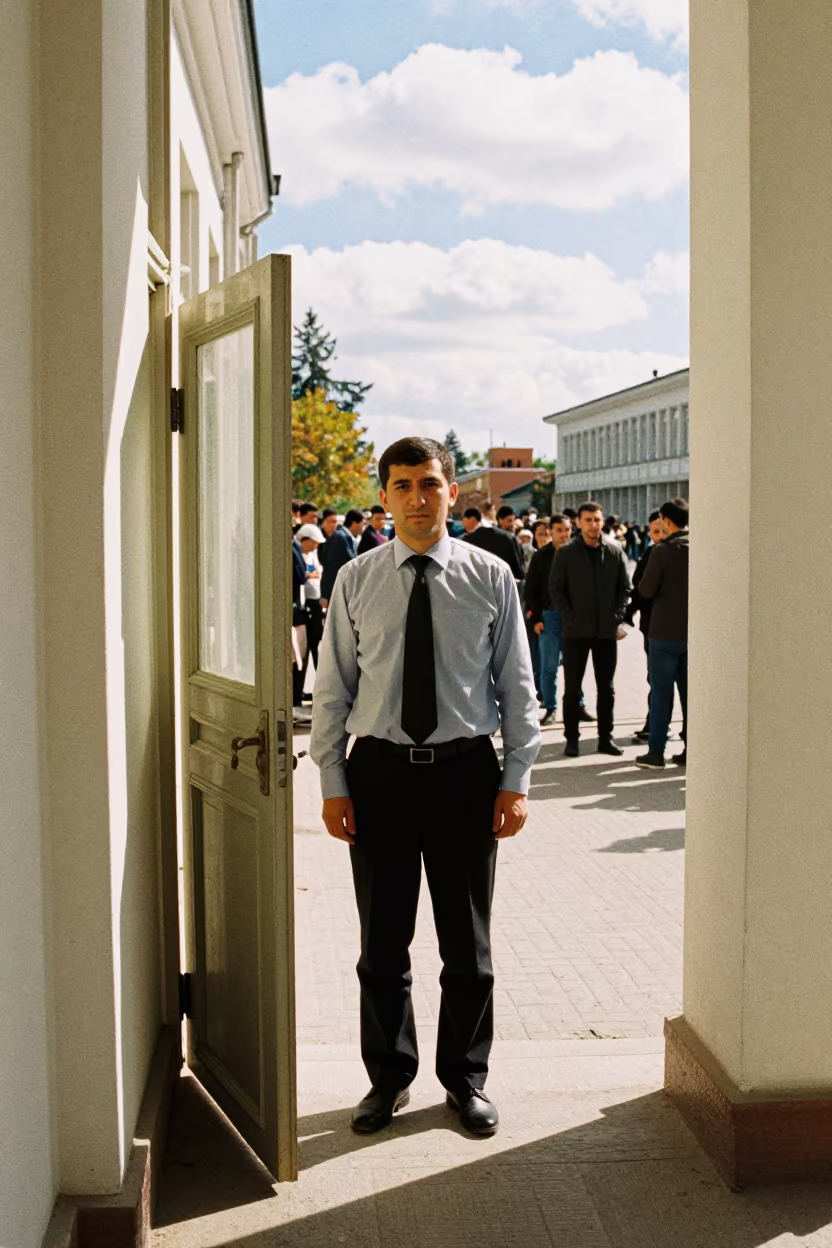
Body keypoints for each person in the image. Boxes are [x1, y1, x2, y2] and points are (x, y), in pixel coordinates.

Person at [311, 436, 541, 1139]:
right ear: (384, 495)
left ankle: (465, 1079)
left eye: (430, 484)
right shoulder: (355, 580)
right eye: (403, 485)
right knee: (382, 944)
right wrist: (333, 780)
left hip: (465, 776)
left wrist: (516, 779)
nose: (418, 498)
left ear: (452, 492)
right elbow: (332, 688)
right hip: (379, 775)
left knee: (467, 947)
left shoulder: (490, 576)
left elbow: (517, 686)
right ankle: (388, 1078)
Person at [549, 500, 631, 757]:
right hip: (576, 632)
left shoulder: (614, 550)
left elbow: (625, 588)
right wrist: (569, 617)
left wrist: (617, 617)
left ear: (603, 521)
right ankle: (572, 739)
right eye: (588, 520)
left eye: (597, 519)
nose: (594, 525)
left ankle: (605, 738)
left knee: (606, 688)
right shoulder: (566, 553)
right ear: (578, 522)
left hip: (605, 631)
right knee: (572, 688)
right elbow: (556, 589)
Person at [635, 499, 689, 770]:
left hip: (664, 633)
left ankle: (656, 753)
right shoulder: (702, 546)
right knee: (690, 695)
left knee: (661, 694)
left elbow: (645, 589)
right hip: (693, 633)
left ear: (666, 521)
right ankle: (691, 749)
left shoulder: (662, 551)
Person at [524, 513, 593, 728]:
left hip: (573, 617)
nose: (564, 534)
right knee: (549, 666)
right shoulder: (541, 557)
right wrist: (536, 618)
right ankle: (550, 707)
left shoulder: (579, 553)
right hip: (549, 616)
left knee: (575, 665)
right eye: (559, 530)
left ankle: (578, 705)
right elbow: (531, 590)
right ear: (550, 532)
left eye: (567, 530)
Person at [624, 511, 665, 743]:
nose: (659, 535)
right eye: (654, 531)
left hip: (672, 629)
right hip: (651, 627)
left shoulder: (679, 552)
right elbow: (638, 588)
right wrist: (629, 613)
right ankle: (654, 724)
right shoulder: (650, 553)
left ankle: (666, 727)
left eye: (662, 530)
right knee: (655, 679)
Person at [462, 507, 526, 581]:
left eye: (513, 521)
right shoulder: (508, 538)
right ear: (500, 520)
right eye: (509, 521)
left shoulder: (467, 539)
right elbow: (519, 570)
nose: (512, 524)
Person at [296, 523, 326, 680]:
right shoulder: (296, 553)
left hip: (315, 601)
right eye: (314, 543)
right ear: (306, 540)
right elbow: (303, 573)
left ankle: (320, 678)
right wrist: (309, 573)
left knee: (316, 642)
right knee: (305, 644)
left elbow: (318, 570)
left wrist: (310, 573)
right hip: (303, 603)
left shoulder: (311, 554)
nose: (315, 547)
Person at [320, 509, 365, 604]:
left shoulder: (344, 537)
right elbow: (332, 567)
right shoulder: (340, 538)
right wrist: (326, 594)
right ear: (354, 523)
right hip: (336, 592)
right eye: (362, 523)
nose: (363, 527)